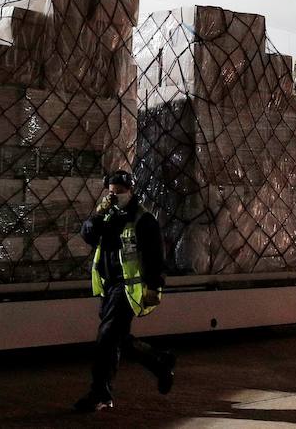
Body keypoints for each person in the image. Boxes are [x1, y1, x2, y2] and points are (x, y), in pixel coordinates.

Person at [73, 170, 175, 412]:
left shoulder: (142, 219)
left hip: (128, 288)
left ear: (130, 192)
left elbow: (154, 256)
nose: (116, 196)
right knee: (117, 339)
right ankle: (159, 361)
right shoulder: (108, 216)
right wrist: (99, 213)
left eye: (120, 192)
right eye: (112, 192)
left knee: (106, 338)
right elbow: (88, 234)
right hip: (109, 286)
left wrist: (155, 286)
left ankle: (100, 393)